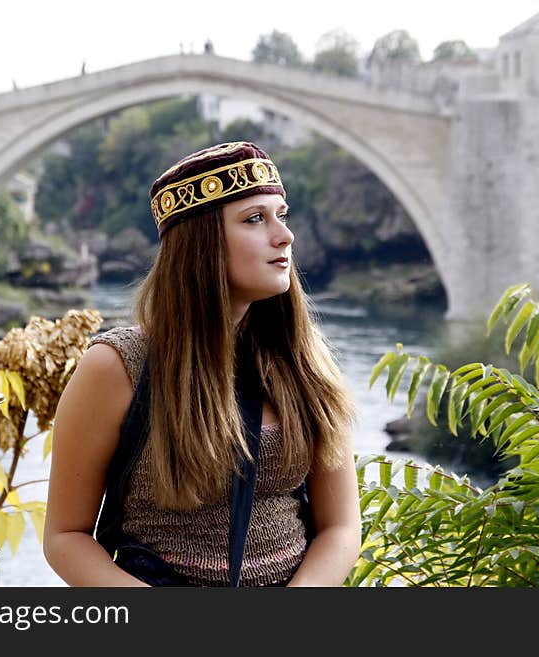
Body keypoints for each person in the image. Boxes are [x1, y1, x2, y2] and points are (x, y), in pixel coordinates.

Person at [43, 141, 361, 587]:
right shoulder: (118, 368)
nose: (284, 235)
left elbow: (341, 527)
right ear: (201, 244)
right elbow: (65, 536)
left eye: (281, 215)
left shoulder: (305, 364)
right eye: (254, 219)